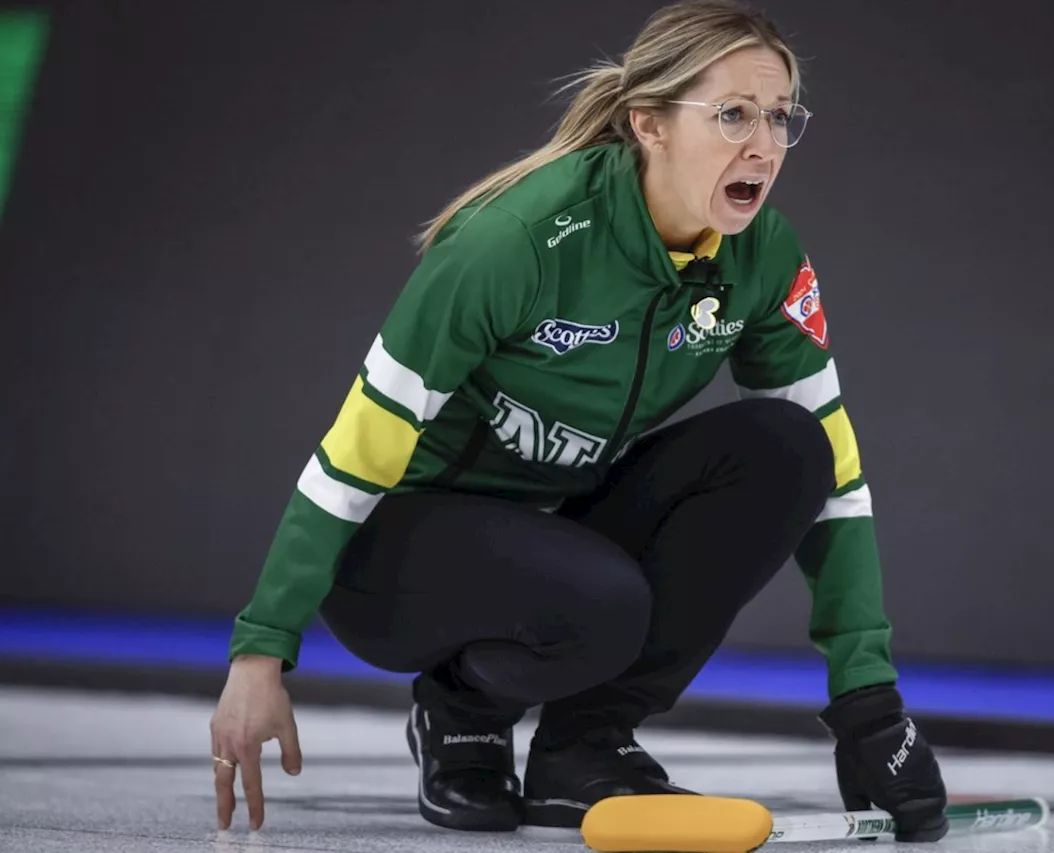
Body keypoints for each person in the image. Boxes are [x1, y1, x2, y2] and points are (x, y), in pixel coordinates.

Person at [209, 0, 949, 842]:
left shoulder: (762, 258)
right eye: (734, 114)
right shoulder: (518, 242)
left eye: (781, 117)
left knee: (786, 448)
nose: (765, 146)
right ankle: (461, 712)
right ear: (649, 124)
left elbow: (838, 477)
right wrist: (260, 652)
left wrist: (866, 699)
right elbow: (356, 449)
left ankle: (582, 749)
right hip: (395, 553)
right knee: (600, 601)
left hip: (556, 533)